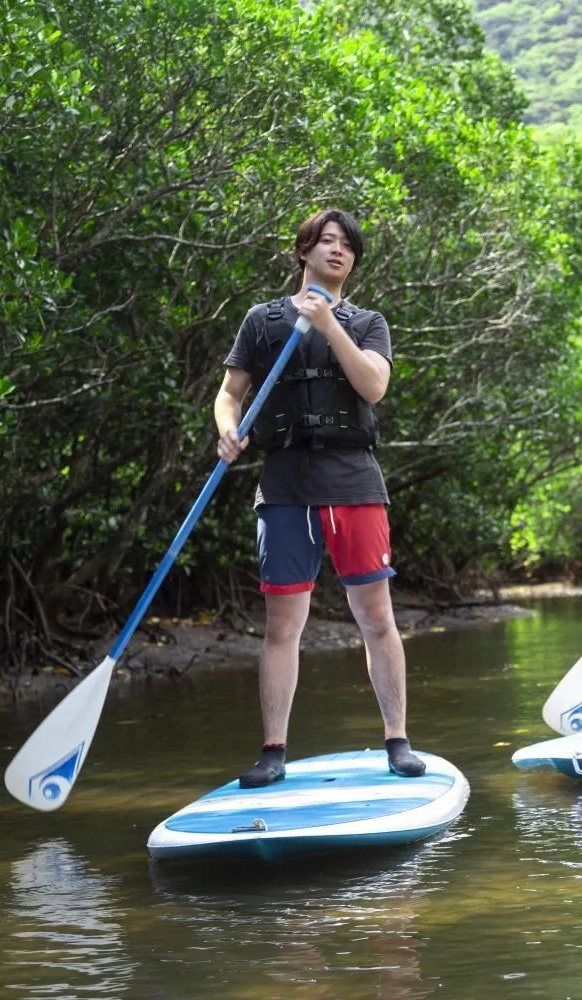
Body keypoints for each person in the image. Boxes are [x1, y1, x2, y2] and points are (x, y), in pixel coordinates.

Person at [214, 208, 425, 785]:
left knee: (377, 618)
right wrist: (226, 428)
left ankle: (397, 742)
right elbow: (229, 394)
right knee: (282, 625)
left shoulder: (367, 322)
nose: (336, 250)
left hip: (353, 480)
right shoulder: (262, 321)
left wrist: (329, 325)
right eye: (325, 241)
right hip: (284, 483)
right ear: (303, 251)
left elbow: (373, 386)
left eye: (346, 245)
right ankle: (273, 749)